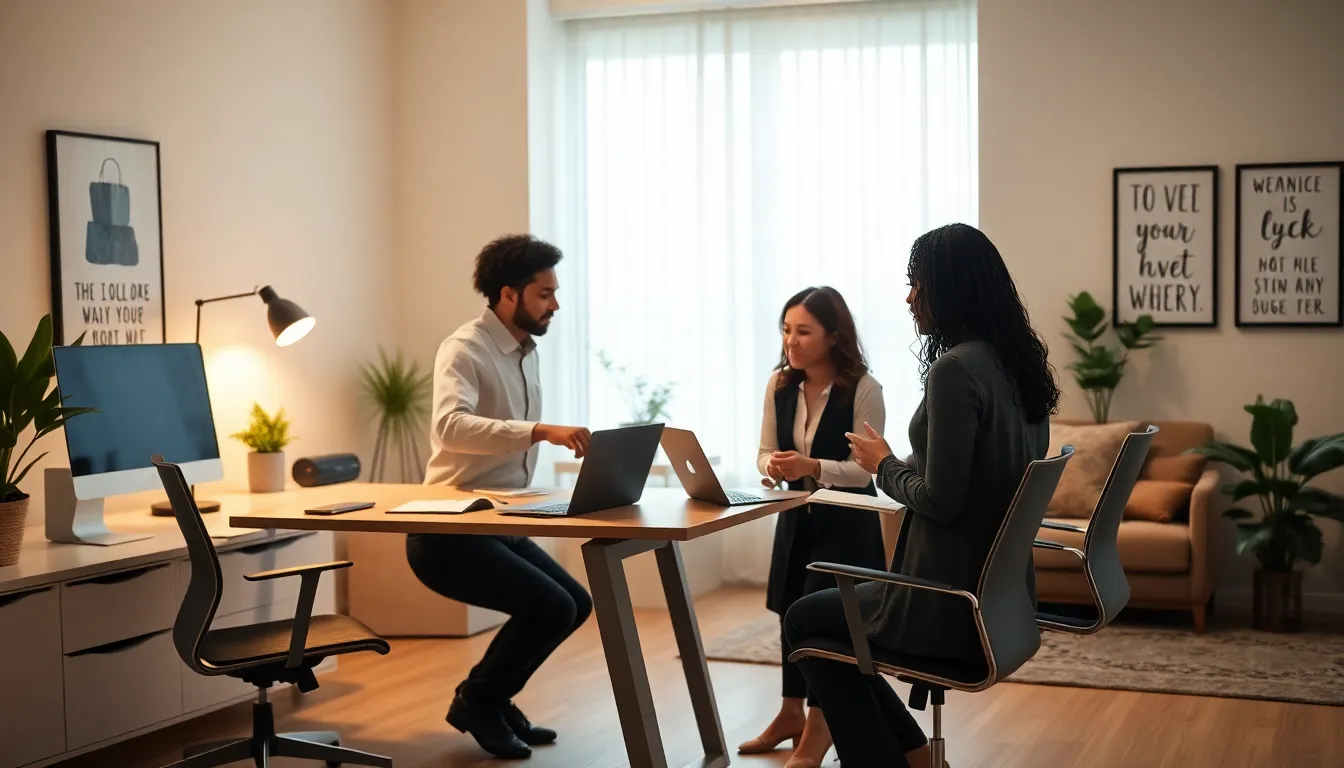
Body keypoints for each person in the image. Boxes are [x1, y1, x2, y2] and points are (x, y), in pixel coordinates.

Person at [784, 223, 1061, 768]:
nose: (910, 298)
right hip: (999, 601)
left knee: (803, 620)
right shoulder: (1016, 364)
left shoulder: (954, 370)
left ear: (952, 289)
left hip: (943, 601)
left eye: (918, 284)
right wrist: (906, 461)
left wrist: (883, 465)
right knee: (833, 630)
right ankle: (915, 756)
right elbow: (982, 469)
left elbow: (940, 501)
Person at [408, 234, 595, 760]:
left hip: (499, 520)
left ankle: (490, 696)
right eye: (544, 294)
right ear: (508, 294)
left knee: (575, 604)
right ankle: (480, 700)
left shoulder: (526, 351)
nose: (555, 305)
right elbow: (449, 426)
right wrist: (538, 430)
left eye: (555, 293)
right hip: (450, 530)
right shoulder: (465, 348)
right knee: (550, 607)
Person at [739, 286, 888, 768]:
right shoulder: (780, 385)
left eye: (803, 331)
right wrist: (773, 466)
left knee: (826, 622)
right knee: (789, 610)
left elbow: (865, 471)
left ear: (834, 335)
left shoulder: (864, 388)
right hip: (795, 516)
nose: (791, 341)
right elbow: (764, 450)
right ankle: (790, 714)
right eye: (786, 330)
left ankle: (819, 730)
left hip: (847, 523)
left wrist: (811, 466)